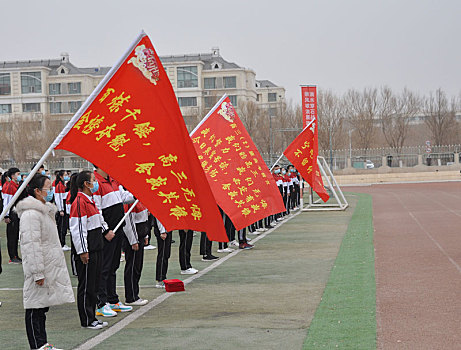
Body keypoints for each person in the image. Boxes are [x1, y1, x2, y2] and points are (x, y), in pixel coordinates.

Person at [16, 174, 74, 349]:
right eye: (48, 188)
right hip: (39, 267)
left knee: (42, 306)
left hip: (47, 265)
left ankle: (43, 343)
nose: (51, 192)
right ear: (37, 191)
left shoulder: (44, 211)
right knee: (35, 307)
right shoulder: (31, 215)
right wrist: (37, 272)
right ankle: (37, 345)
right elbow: (30, 246)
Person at [69, 171, 111, 330]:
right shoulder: (79, 202)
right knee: (86, 285)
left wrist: (106, 230)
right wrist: (83, 251)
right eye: (93, 180)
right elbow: (78, 229)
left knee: (93, 284)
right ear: (86, 184)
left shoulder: (90, 201)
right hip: (89, 251)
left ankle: (92, 316)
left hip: (96, 248)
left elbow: (98, 221)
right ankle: (87, 319)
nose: (96, 183)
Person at [93, 165, 135, 316]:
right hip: (108, 232)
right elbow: (96, 209)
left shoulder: (113, 180)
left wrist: (137, 195)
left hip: (118, 229)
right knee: (104, 268)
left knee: (113, 266)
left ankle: (113, 300)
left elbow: (123, 197)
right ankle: (101, 303)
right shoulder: (96, 183)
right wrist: (105, 230)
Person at [122, 201, 149, 305]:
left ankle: (134, 294)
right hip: (133, 239)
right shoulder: (130, 202)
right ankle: (131, 297)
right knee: (132, 267)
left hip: (140, 237)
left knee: (137, 267)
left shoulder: (140, 200)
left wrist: (146, 235)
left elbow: (144, 218)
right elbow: (128, 222)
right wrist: (133, 240)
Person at [2, 167, 22, 263]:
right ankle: (12, 257)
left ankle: (15, 255)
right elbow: (6, 202)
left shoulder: (16, 185)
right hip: (11, 213)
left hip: (16, 213)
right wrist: (6, 215)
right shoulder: (10, 186)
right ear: (13, 176)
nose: (19, 176)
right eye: (18, 174)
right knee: (12, 236)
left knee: (15, 235)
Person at [53, 170, 70, 251]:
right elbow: (58, 198)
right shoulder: (59, 186)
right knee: (61, 226)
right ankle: (61, 244)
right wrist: (61, 210)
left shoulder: (63, 184)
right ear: (61, 176)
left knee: (64, 226)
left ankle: (62, 243)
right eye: (65, 175)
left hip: (64, 206)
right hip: (62, 207)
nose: (67, 176)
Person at [153, 217, 172, 288]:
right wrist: (162, 231)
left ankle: (163, 277)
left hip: (168, 228)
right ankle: (160, 279)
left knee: (166, 254)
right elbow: (159, 216)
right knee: (163, 255)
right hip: (163, 230)